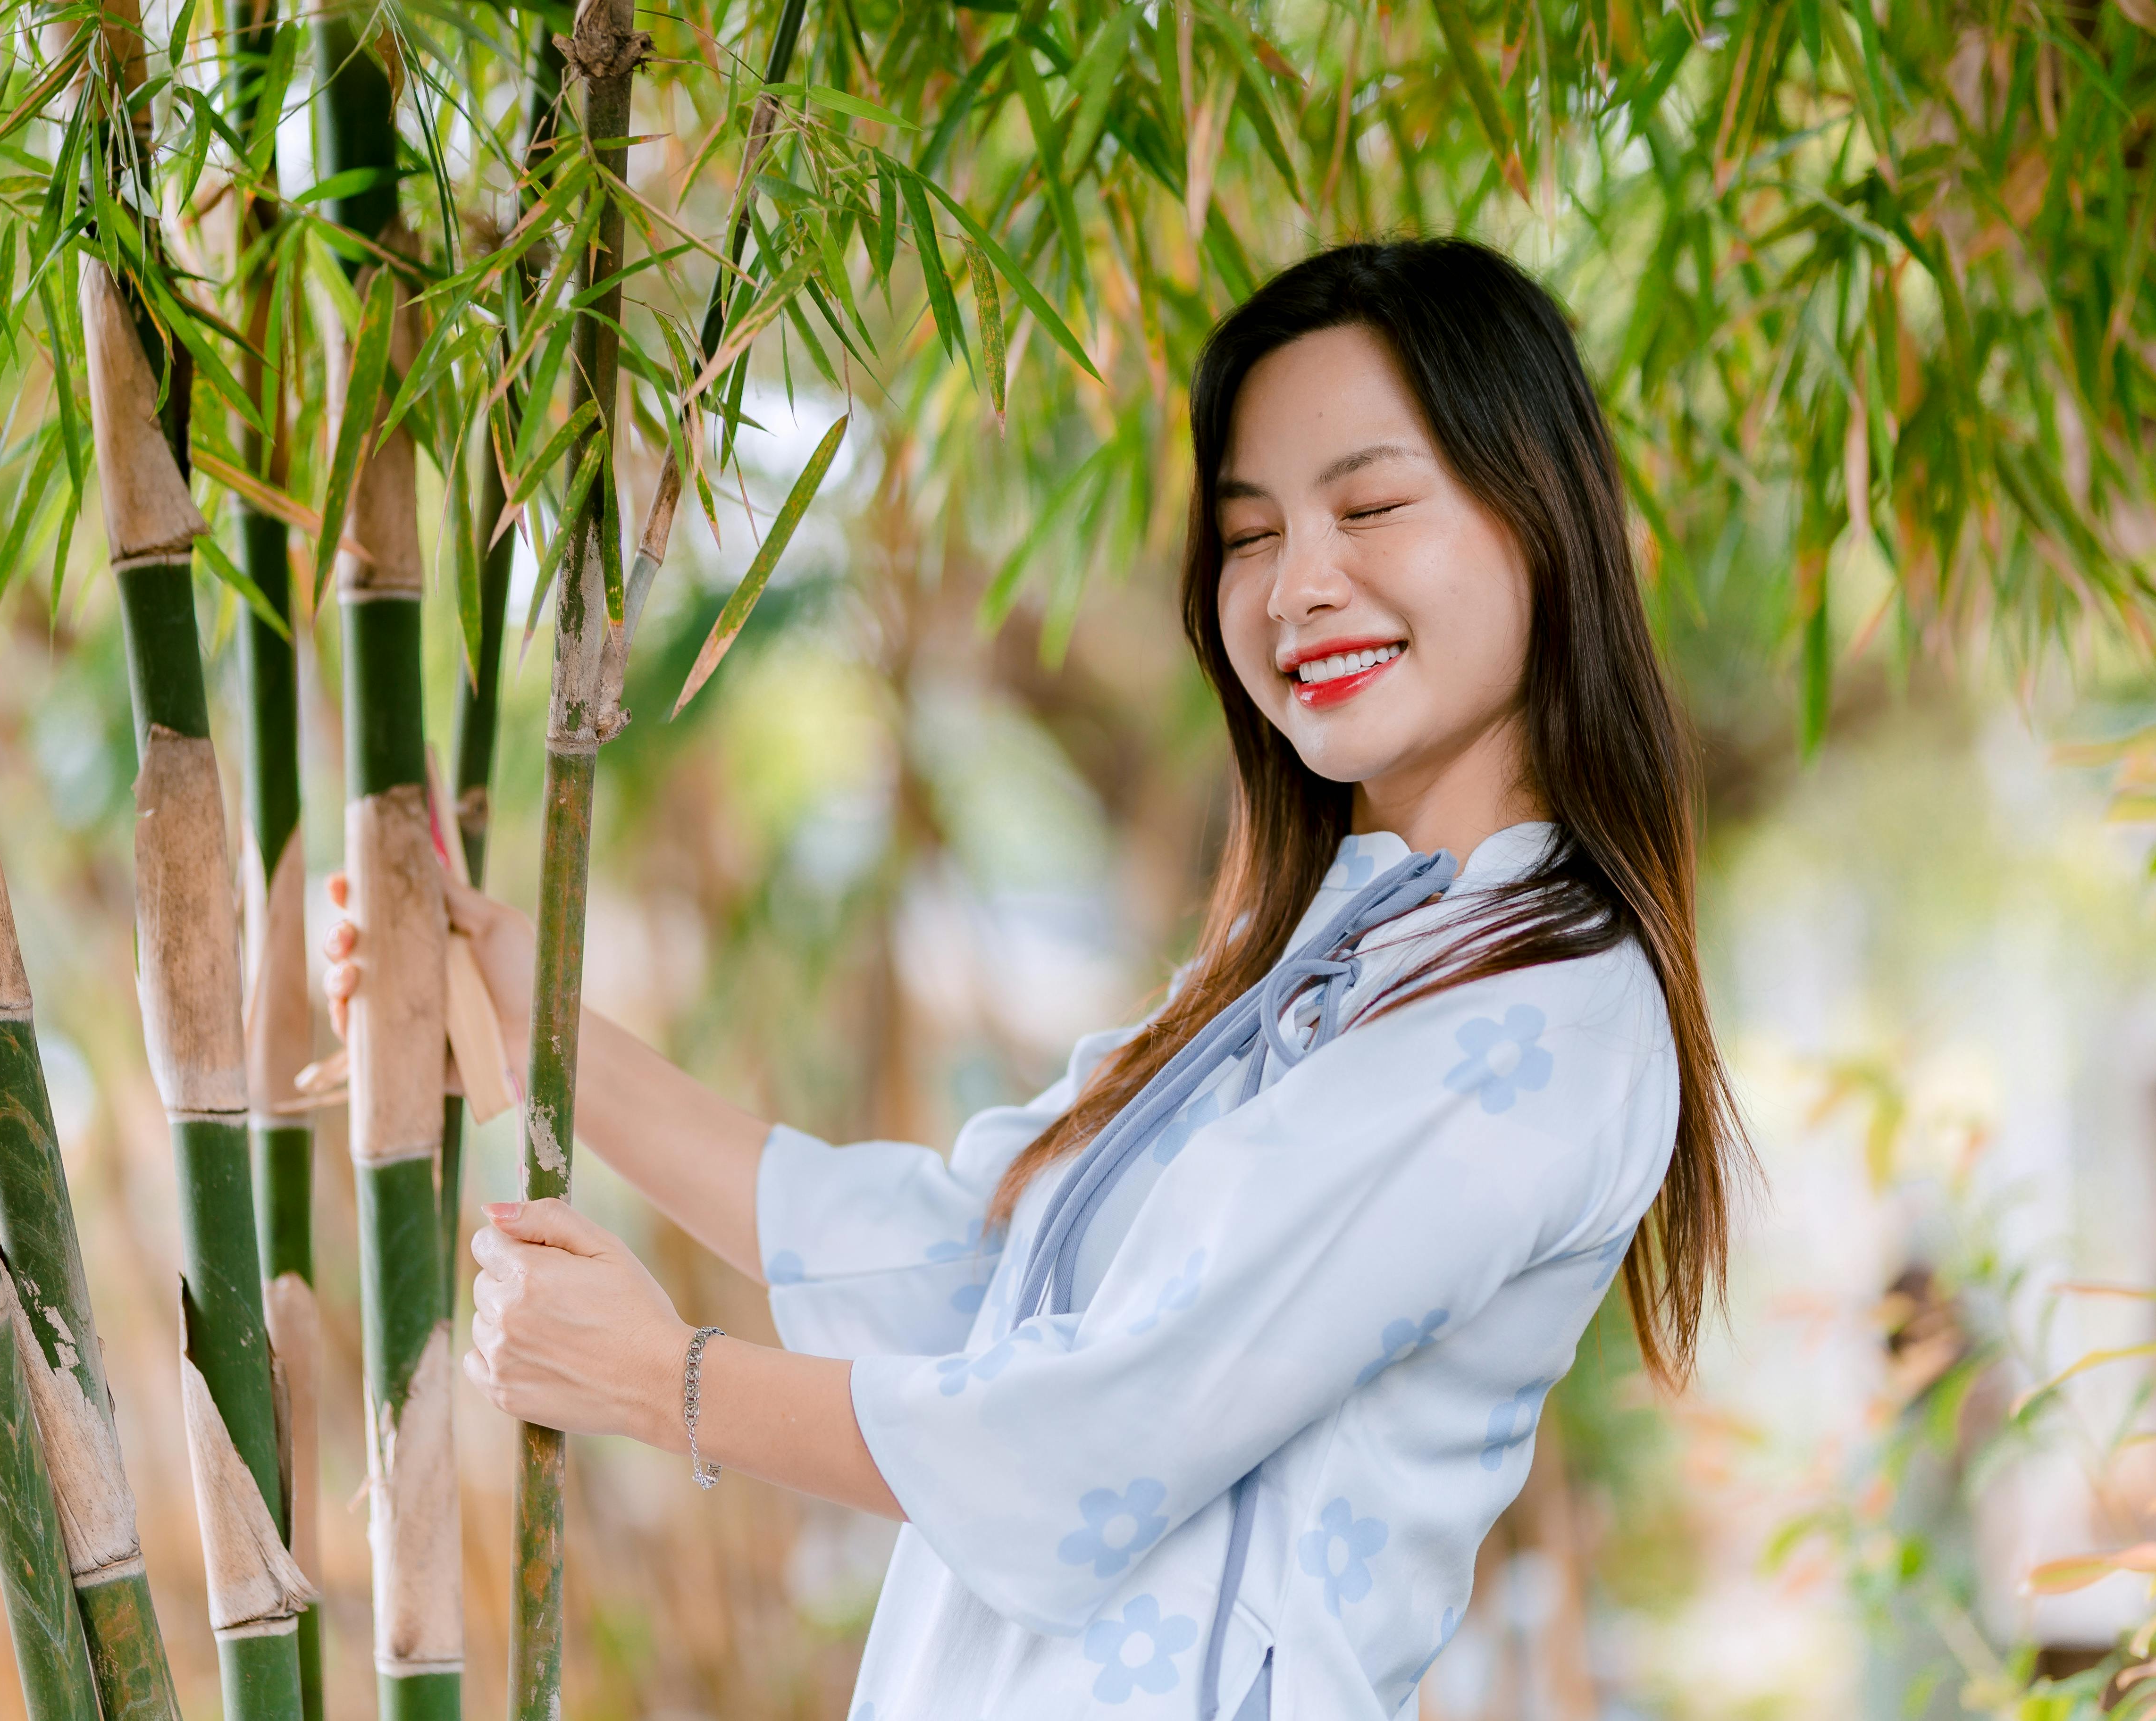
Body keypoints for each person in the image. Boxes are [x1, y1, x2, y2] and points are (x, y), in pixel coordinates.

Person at [324, 236, 1748, 1720]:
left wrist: (664, 1380)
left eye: (1372, 507)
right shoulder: (1308, 959)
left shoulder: (1548, 1015)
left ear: (1543, 521)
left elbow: (1099, 1434)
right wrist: (533, 1017)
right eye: (1250, 534)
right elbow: (969, 1264)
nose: (1297, 587)